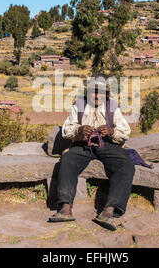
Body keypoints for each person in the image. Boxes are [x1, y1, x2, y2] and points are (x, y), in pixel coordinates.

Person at [48, 74, 135, 231]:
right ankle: (65, 207)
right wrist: (79, 130)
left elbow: (125, 132)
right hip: (83, 144)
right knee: (67, 159)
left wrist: (111, 131)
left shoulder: (112, 106)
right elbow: (67, 129)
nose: (96, 95)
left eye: (100, 92)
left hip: (107, 145)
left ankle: (109, 211)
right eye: (93, 92)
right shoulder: (79, 105)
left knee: (126, 165)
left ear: (106, 94)